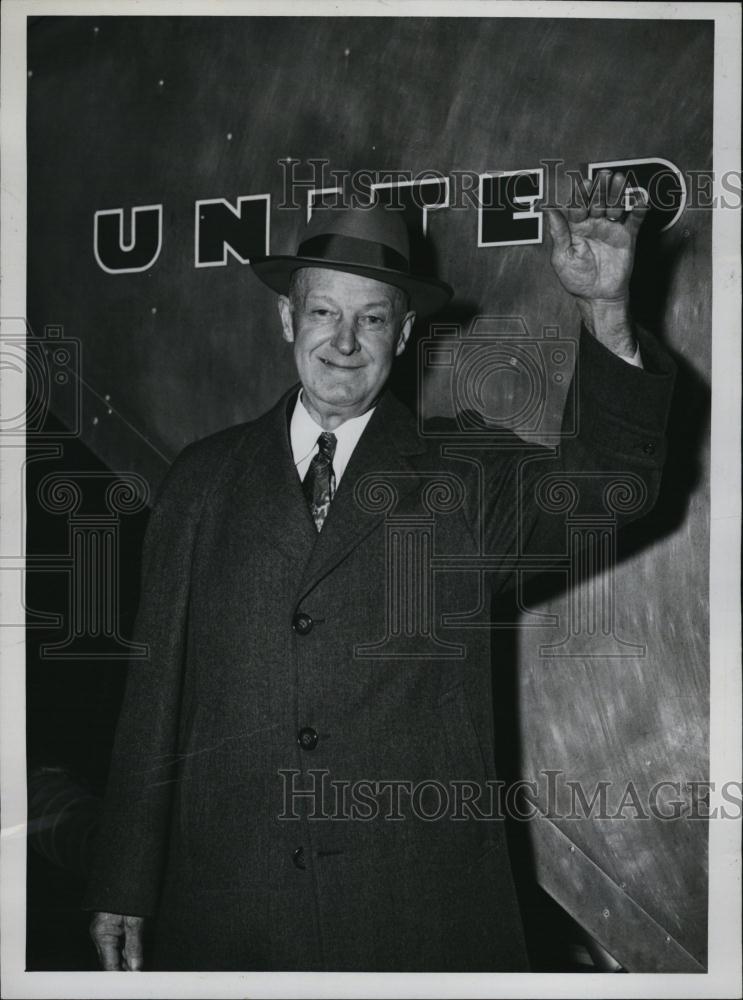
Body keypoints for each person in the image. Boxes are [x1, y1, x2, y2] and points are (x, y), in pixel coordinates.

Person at [85, 171, 676, 971]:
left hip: (412, 921)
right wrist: (123, 880)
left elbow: (610, 485)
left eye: (371, 318)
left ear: (402, 336)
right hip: (231, 913)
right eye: (323, 312)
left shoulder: (463, 478)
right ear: (286, 318)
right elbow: (153, 697)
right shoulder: (201, 479)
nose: (343, 341)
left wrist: (605, 310)